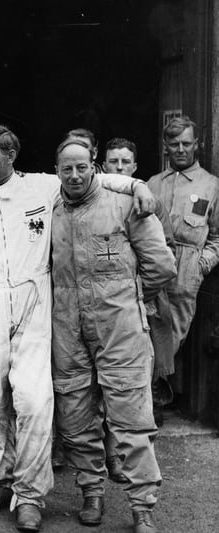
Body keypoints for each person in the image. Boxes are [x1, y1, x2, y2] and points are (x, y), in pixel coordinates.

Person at [0, 124, 156, 532]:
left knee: (35, 402)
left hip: (35, 300)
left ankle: (29, 495)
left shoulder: (43, 188)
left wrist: (136, 185)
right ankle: (0, 480)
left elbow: (88, 172)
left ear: (11, 156)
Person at [51, 139, 175, 532]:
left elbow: (161, 266)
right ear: (56, 170)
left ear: (94, 166)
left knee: (132, 419)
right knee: (75, 417)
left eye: (82, 167)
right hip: (67, 327)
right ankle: (91, 491)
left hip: (119, 327)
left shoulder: (124, 202)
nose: (74, 176)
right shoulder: (49, 208)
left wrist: (129, 301)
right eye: (66, 169)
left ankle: (142, 506)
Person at [105, 137, 177, 429]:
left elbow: (166, 252)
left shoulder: (149, 201)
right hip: (106, 296)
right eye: (114, 161)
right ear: (103, 164)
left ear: (134, 167)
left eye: (125, 162)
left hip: (142, 293)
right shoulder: (94, 197)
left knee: (145, 358)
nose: (120, 167)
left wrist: (137, 292)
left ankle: (147, 410)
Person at [147, 116, 219, 392]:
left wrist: (202, 264)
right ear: (166, 146)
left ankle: (155, 390)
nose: (180, 149)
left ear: (196, 145)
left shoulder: (211, 185)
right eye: (174, 144)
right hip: (152, 265)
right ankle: (150, 394)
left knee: (174, 332)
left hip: (186, 268)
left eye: (186, 143)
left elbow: (217, 236)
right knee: (147, 330)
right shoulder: (153, 183)